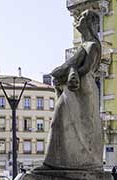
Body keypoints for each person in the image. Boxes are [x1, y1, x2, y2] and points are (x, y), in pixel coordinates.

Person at [43, 10, 103, 169]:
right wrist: (66, 71)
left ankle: (81, 160)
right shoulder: (83, 46)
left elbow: (85, 68)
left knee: (73, 122)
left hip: (82, 88)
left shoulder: (92, 46)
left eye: (82, 17)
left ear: (89, 23)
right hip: (74, 87)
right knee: (60, 121)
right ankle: (58, 161)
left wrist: (70, 72)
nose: (78, 19)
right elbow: (67, 66)